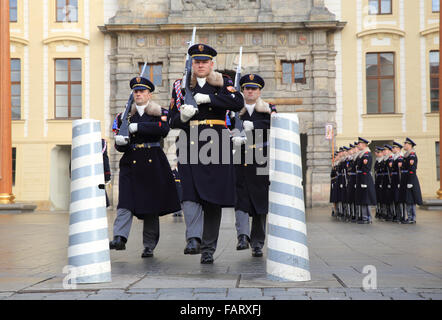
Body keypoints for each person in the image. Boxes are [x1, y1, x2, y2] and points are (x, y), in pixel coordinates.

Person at [168, 43, 244, 264]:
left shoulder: (223, 82)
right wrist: (182, 118)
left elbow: (237, 102)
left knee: (213, 198)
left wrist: (209, 99)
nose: (200, 65)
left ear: (212, 64)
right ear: (192, 63)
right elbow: (171, 118)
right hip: (189, 140)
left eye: (204, 62)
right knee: (189, 192)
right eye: (197, 62)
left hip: (216, 142)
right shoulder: (180, 86)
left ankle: (209, 248)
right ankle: (193, 238)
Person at [109, 76, 181, 258]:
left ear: (149, 94)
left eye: (142, 91)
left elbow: (163, 129)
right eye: (136, 91)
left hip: (152, 161)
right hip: (131, 161)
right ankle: (119, 237)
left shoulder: (159, 112)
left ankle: (149, 245)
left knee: (151, 207)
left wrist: (137, 128)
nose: (138, 94)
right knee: (125, 202)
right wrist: (120, 141)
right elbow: (120, 145)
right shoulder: (124, 115)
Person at [229, 74, 277, 257]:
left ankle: (257, 242)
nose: (250, 91)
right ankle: (242, 236)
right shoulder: (233, 109)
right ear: (242, 90)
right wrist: (233, 136)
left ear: (259, 91)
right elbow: (225, 126)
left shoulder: (268, 108)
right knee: (240, 196)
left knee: (259, 200)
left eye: (254, 88)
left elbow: (273, 124)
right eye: (247, 88)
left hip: (259, 155)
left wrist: (254, 125)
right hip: (239, 155)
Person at [355, 137, 376, 224]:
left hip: (365, 178)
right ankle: (364, 217)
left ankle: (368, 218)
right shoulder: (361, 154)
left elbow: (365, 169)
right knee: (363, 199)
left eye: (359, 144)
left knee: (366, 199)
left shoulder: (366, 154)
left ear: (363, 144)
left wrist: (363, 182)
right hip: (361, 178)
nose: (358, 145)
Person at [401, 137, 423, 224]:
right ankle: (409, 216)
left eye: (405, 144)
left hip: (411, 179)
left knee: (411, 199)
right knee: (407, 199)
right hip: (406, 178)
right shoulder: (406, 155)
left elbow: (412, 169)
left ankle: (412, 218)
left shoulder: (412, 155)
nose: (404, 145)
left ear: (410, 145)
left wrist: (410, 182)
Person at [391, 141, 404, 223]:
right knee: (395, 198)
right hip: (394, 179)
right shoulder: (395, 157)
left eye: (394, 148)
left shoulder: (400, 157)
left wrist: (400, 182)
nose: (392, 149)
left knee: (399, 198)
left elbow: (400, 171)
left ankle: (401, 215)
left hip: (398, 180)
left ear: (398, 149)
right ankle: (396, 215)